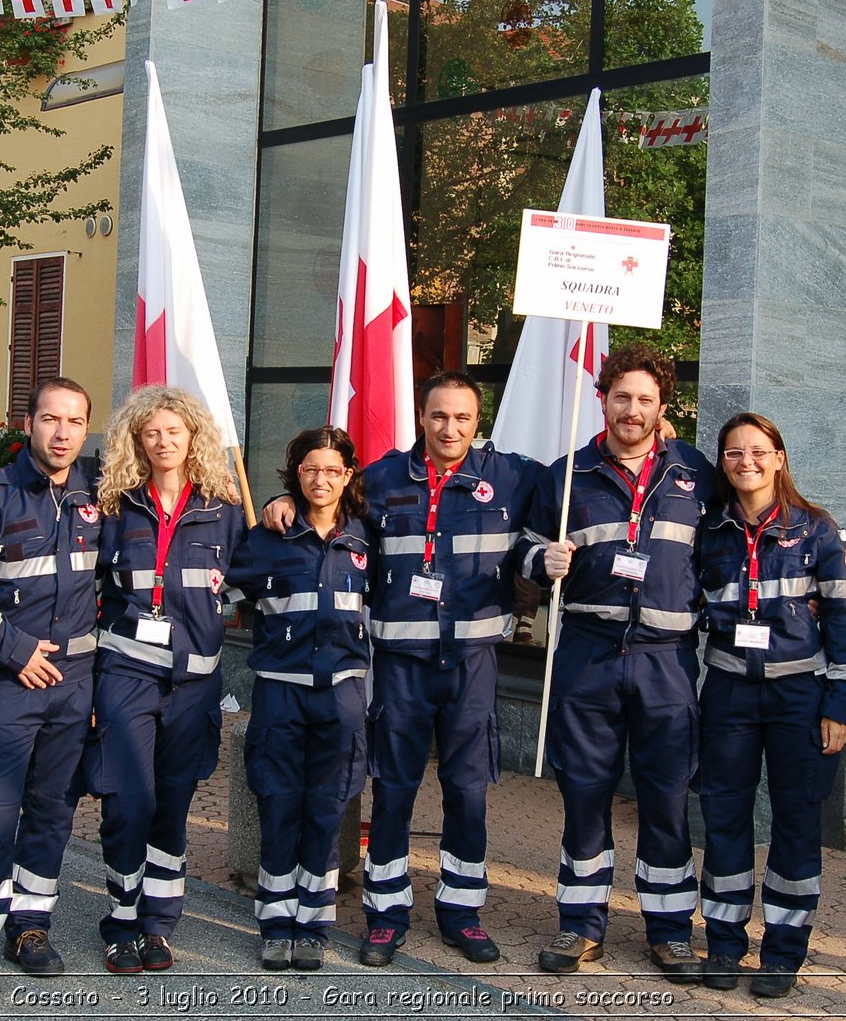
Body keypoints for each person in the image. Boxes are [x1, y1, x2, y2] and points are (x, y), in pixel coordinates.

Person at [263, 371, 540, 966]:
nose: (450, 428)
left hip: (471, 663)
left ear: (477, 420)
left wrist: (662, 439)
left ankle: (461, 911)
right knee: (393, 788)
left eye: (463, 417)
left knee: (468, 792)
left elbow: (576, 483)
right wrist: (279, 498)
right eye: (439, 416)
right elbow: (326, 504)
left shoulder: (513, 476)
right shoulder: (383, 477)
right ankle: (386, 913)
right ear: (422, 416)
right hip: (400, 665)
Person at [526, 344, 713, 981]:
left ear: (664, 408)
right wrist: (537, 564)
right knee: (585, 794)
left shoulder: (696, 474)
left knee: (666, 796)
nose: (632, 410)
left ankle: (668, 931)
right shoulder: (566, 475)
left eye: (645, 400)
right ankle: (581, 924)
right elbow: (522, 552)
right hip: (588, 652)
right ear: (602, 398)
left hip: (666, 660)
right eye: (621, 397)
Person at [0, 377, 102, 1009]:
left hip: (76, 687)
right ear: (27, 423)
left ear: (87, 428)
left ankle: (30, 929)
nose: (63, 433)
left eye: (75, 422)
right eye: (51, 419)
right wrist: (13, 650)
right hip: (11, 683)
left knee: (54, 813)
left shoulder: (98, 495)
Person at [695, 412, 846, 999]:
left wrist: (838, 705)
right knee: (724, 821)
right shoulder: (708, 530)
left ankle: (783, 953)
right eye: (734, 453)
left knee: (795, 826)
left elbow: (843, 622)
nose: (747, 462)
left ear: (780, 457)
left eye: (759, 451)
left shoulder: (817, 530)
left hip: (799, 699)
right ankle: (724, 943)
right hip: (729, 696)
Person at [88, 385, 247, 975]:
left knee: (173, 806)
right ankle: (121, 919)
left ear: (192, 437)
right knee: (130, 801)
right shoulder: (115, 504)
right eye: (151, 432)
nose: (163, 442)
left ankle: (158, 925)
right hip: (127, 674)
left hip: (195, 683)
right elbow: (94, 585)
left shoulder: (222, 508)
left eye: (173, 432)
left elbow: (247, 577)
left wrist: (209, 610)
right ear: (137, 438)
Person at [226, 426, 372, 973]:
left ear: (348, 476)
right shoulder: (268, 537)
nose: (322, 479)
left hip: (341, 695)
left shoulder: (364, 537)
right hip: (280, 695)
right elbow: (228, 596)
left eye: (333, 470)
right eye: (311, 469)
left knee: (327, 809)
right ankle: (275, 920)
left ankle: (314, 920)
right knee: (279, 804)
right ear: (295, 474)